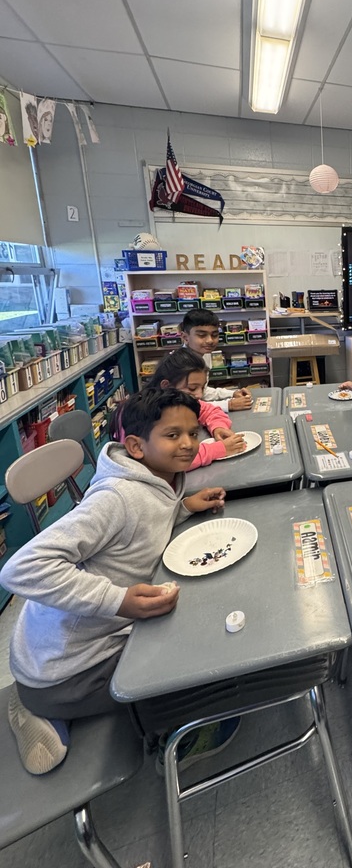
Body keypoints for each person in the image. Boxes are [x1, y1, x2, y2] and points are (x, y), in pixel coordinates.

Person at [0, 388, 229, 775]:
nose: (190, 444)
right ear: (137, 446)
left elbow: (136, 534)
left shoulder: (159, 476)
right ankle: (36, 706)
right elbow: (21, 568)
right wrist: (117, 600)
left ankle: (39, 698)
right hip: (67, 670)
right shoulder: (118, 496)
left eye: (193, 433)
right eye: (173, 436)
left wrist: (183, 509)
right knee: (208, 674)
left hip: (80, 647)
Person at [111, 348, 246, 466]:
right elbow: (164, 461)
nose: (199, 395)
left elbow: (209, 410)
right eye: (192, 388)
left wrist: (218, 427)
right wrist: (217, 450)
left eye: (202, 387)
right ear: (166, 386)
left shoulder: (176, 402)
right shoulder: (139, 413)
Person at [180, 309, 253, 411]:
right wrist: (228, 405)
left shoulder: (204, 353)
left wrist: (232, 393)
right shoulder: (179, 365)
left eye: (214, 335)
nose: (210, 340)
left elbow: (203, 392)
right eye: (202, 335)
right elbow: (186, 407)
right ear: (185, 337)